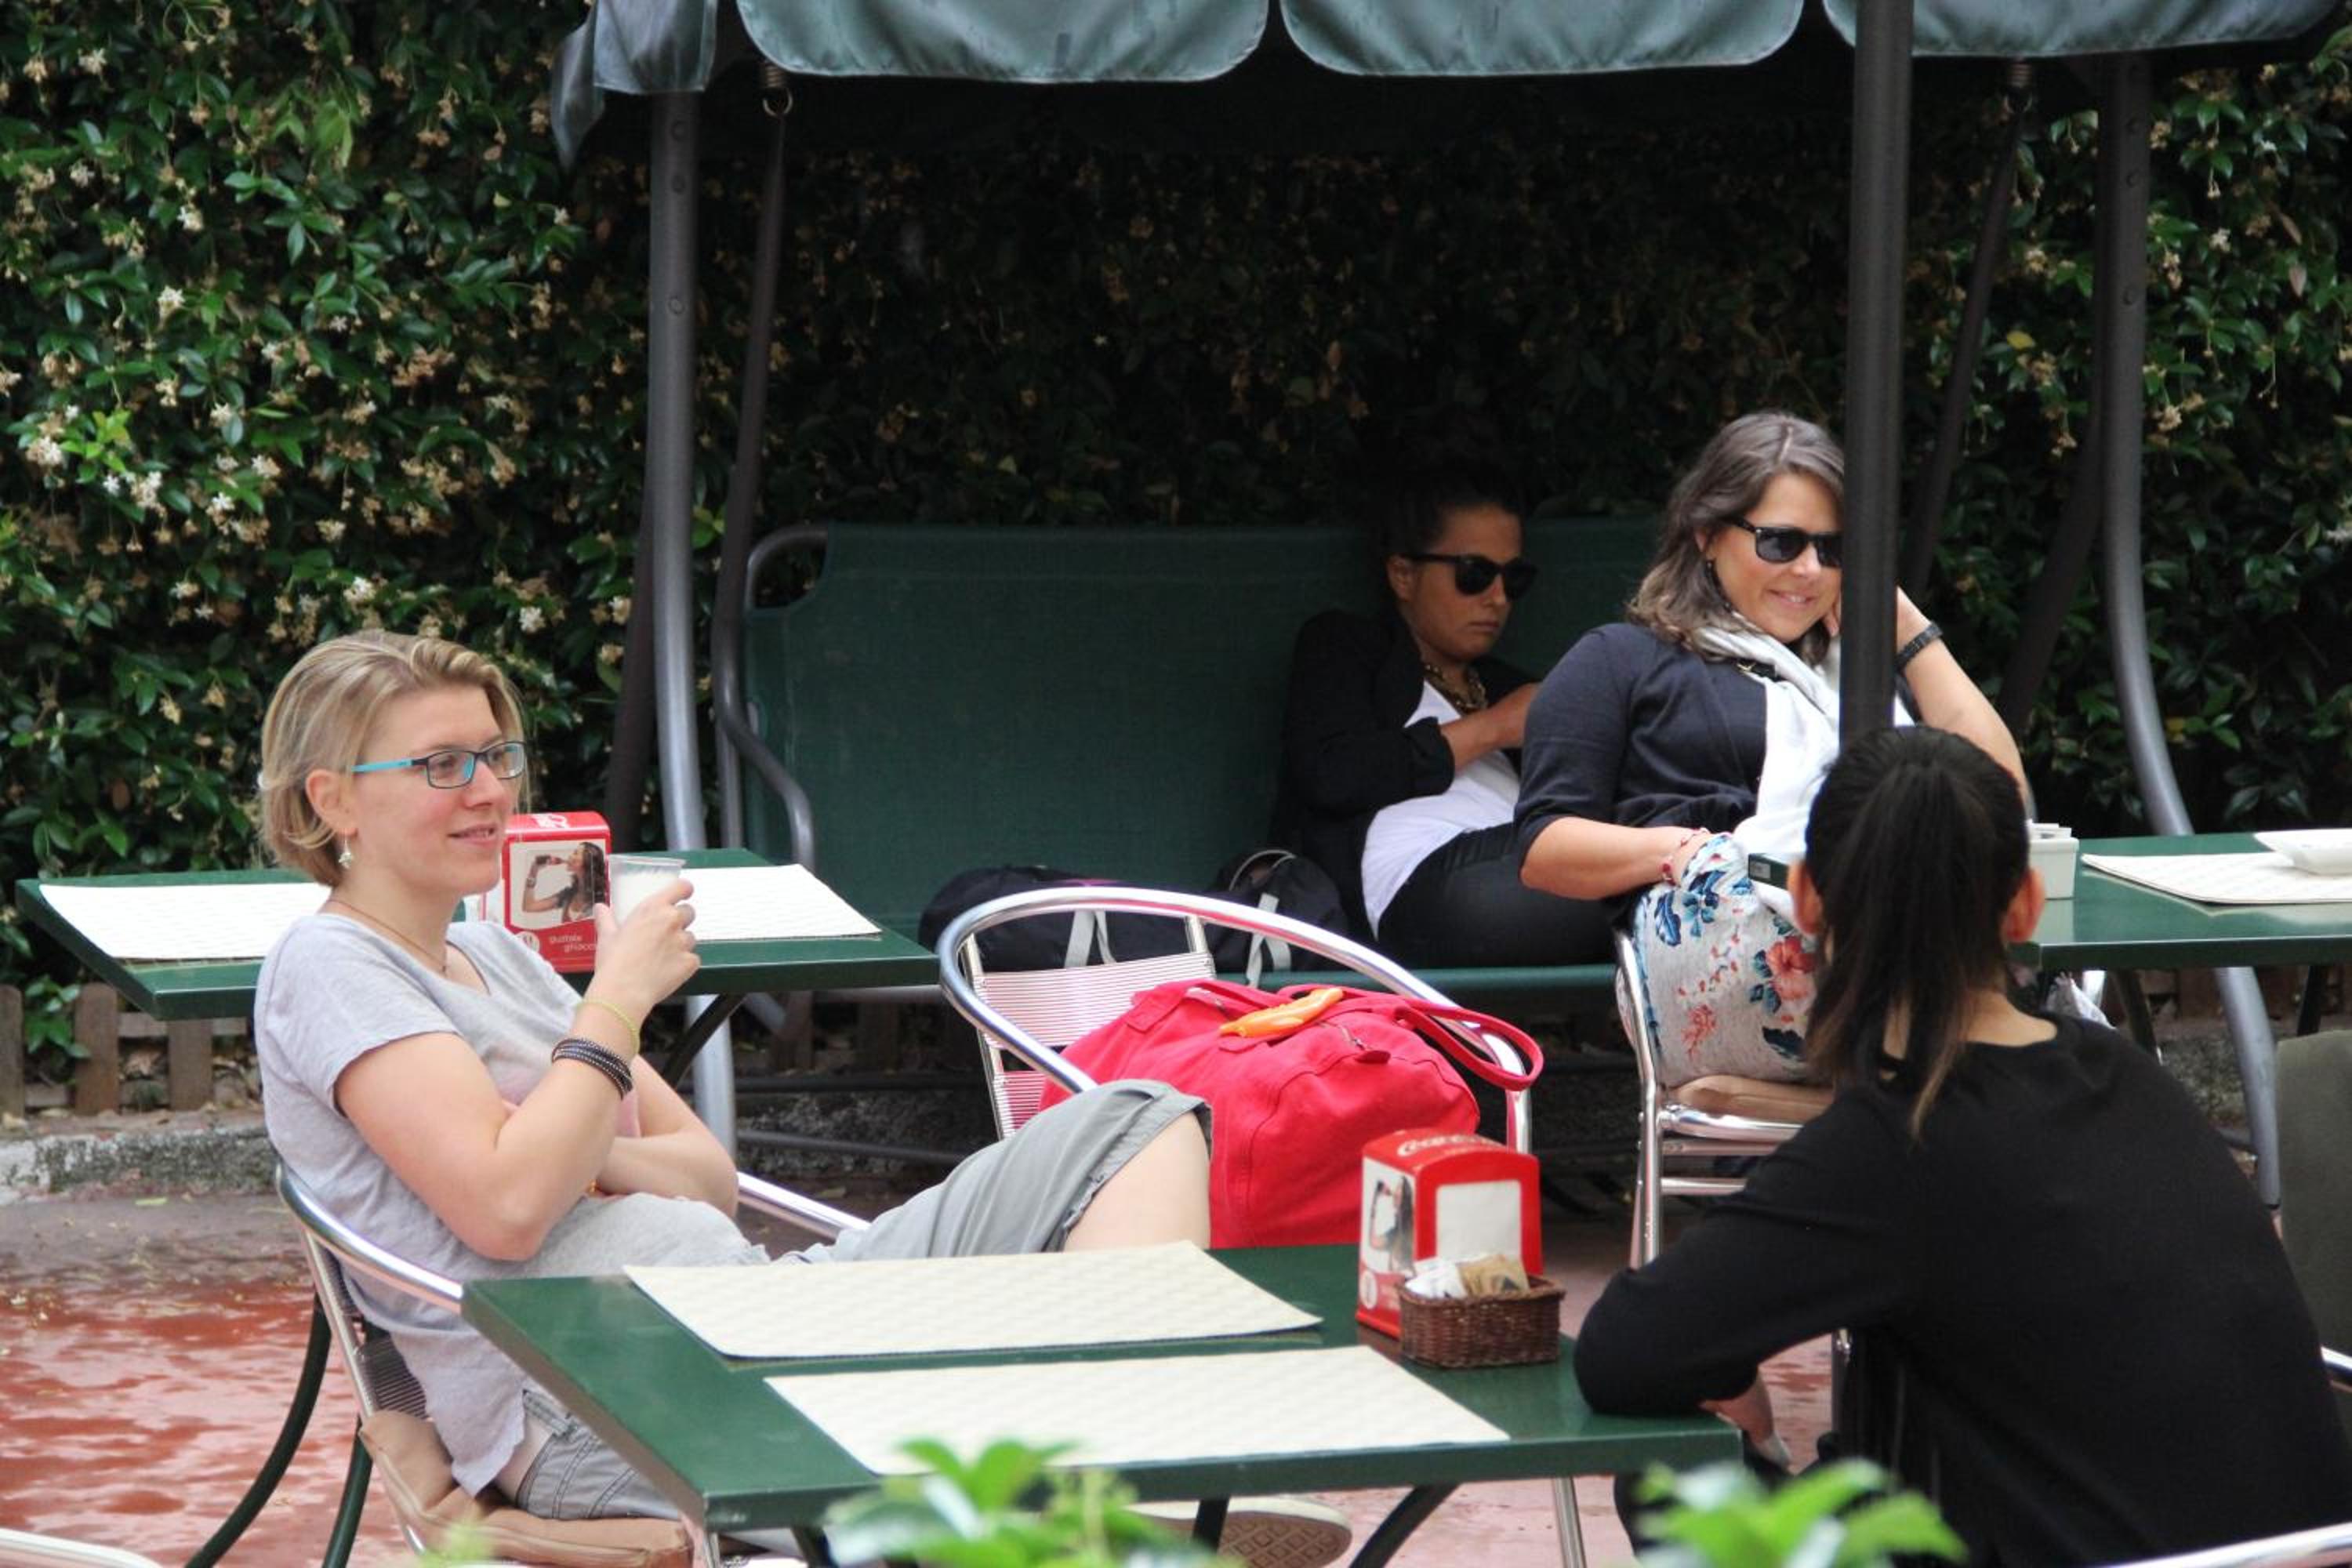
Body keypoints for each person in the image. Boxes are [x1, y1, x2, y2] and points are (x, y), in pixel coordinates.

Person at [252, 630, 1348, 1566]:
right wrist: (615, 1007)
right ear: (331, 797)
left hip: (758, 1310)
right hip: (606, 1393)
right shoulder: (333, 967)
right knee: (950, 1462)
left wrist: (577, 1144)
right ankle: (1076, 1515)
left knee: (1138, 1120)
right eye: (442, 764)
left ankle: (1120, 1475)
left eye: (497, 755)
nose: (491, 790)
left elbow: (706, 1176)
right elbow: (505, 1207)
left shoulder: (498, 957)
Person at [1575, 725, 2352, 1564]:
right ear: (2025, 902)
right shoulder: (2129, 1076)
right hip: (2301, 1550)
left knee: (1673, 1479)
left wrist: (1746, 1409)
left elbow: (1624, 1352)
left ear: (1804, 900)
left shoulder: (1893, 1142)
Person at [1515, 410, 2021, 1083]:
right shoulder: (1624, 659)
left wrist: (1909, 632)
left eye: (1834, 549)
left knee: (1997, 915)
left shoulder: (1861, 676)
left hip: (1884, 930)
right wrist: (1685, 850)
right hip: (1734, 946)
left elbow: (2002, 802)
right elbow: (1544, 847)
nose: (1810, 570)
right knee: (2011, 1010)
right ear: (1706, 534)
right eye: (1781, 543)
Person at [1273, 459, 1606, 967]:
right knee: (1658, 869)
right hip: (1422, 882)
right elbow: (1333, 775)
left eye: (1513, 578)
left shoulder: (1508, 684)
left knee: (1666, 859)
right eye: (1475, 574)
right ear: (1403, 575)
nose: (1498, 598)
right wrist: (1495, 727)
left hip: (1533, 867)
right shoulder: (1347, 647)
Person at [518, 840, 604, 925]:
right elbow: (529, 906)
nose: (570, 856)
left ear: (587, 861)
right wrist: (533, 871)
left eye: (575, 853)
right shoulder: (568, 895)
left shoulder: (600, 899)